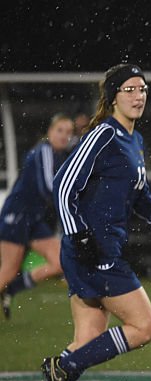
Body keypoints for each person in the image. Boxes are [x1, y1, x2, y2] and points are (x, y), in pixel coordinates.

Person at [20, 64, 151, 381]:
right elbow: (63, 185)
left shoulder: (135, 140)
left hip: (99, 247)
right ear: (113, 95)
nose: (138, 96)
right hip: (92, 249)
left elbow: (141, 194)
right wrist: (79, 235)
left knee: (87, 340)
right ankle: (63, 368)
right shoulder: (103, 134)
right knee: (144, 327)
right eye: (130, 89)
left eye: (143, 90)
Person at [0, 114, 74, 319]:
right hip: (17, 215)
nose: (64, 136)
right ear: (50, 132)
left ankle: (13, 289)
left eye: (68, 132)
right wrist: (71, 204)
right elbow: (48, 187)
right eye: (60, 130)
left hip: (33, 218)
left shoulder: (59, 156)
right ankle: (9, 285)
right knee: (7, 270)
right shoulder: (44, 151)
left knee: (61, 262)